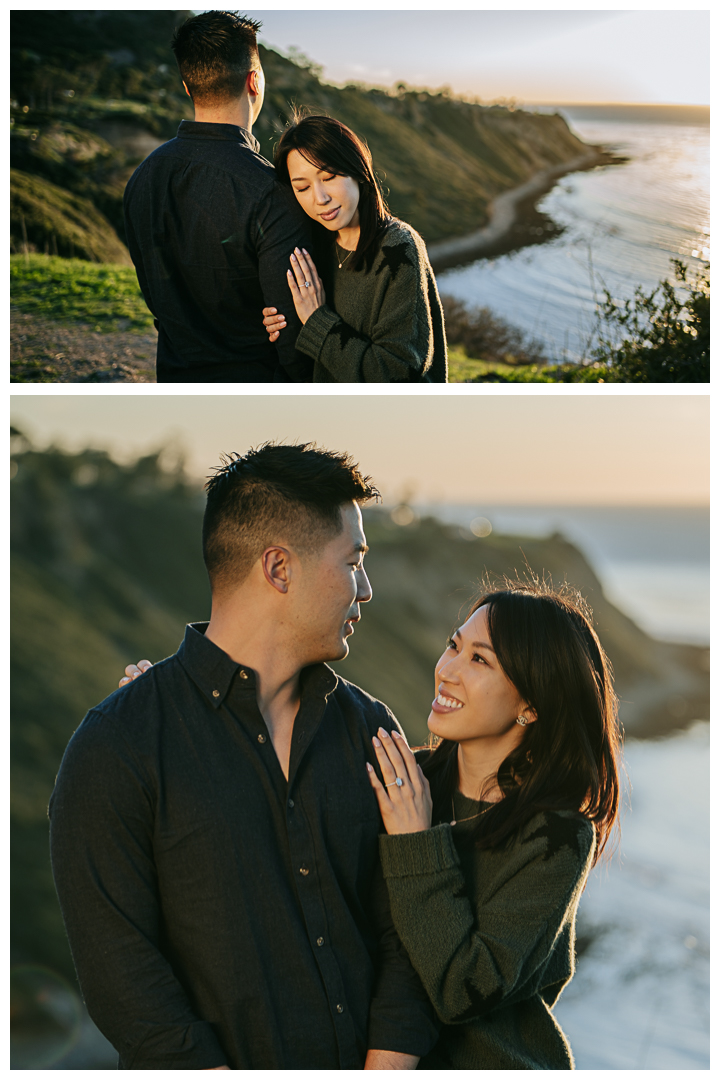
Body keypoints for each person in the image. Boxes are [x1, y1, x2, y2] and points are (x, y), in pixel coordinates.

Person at [49, 443, 438, 1070]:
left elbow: (404, 932)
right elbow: (125, 982)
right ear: (279, 569)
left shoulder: (371, 729)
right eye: (354, 561)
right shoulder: (118, 746)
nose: (366, 588)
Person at [365, 583, 622, 1069]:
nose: (447, 671)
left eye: (480, 661)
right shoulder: (404, 783)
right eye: (454, 646)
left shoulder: (558, 837)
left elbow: (464, 990)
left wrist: (417, 844)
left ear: (532, 703)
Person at [123, 11, 313, 383]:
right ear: (254, 81)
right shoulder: (271, 191)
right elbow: (292, 331)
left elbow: (159, 298)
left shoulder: (143, 177)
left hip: (175, 376)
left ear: (187, 86)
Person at [261, 115, 448, 382]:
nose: (320, 199)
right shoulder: (312, 247)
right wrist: (283, 323)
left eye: (329, 177)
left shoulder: (399, 249)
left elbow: (397, 375)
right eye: (302, 187)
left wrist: (316, 321)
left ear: (358, 170)